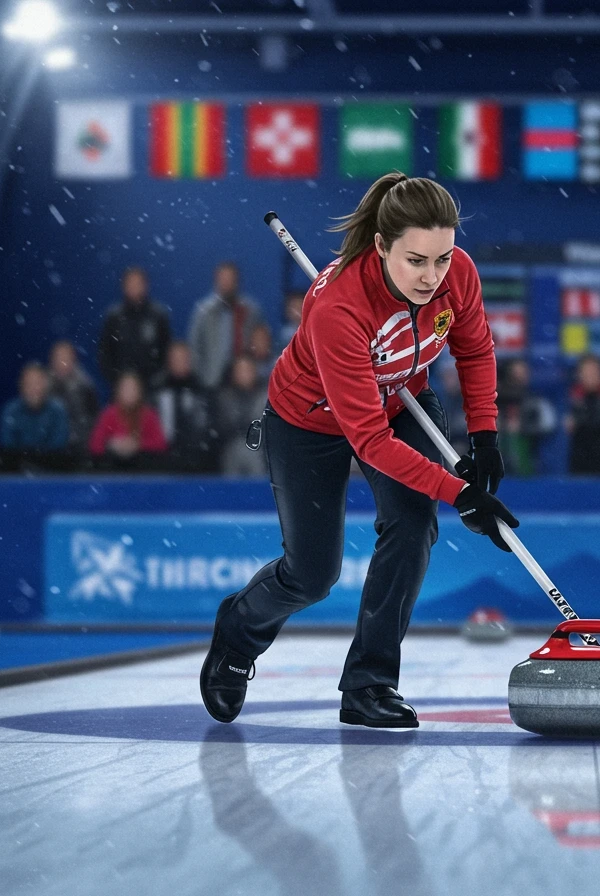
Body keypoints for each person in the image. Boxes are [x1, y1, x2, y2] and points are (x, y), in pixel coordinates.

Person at [200, 172, 516, 731]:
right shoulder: (339, 308)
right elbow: (369, 442)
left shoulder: (457, 272)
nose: (432, 276)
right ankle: (238, 633)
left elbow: (475, 349)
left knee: (413, 524)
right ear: (382, 247)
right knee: (312, 575)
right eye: (416, 261)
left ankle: (370, 683)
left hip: (401, 400)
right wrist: (460, 490)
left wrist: (486, 439)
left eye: (441, 258)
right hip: (308, 422)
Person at [188, 261, 268, 390]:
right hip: (212, 379)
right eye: (223, 279)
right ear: (216, 280)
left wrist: (254, 370)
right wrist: (202, 375)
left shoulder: (251, 310)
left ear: (237, 281)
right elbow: (195, 345)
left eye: (230, 279)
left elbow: (261, 341)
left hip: (245, 379)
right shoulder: (204, 312)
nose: (226, 283)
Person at [97, 266, 173, 387]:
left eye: (138, 283)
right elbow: (105, 353)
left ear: (146, 285)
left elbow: (167, 352)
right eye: (130, 283)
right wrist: (118, 381)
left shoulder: (158, 315)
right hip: (121, 389)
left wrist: (156, 380)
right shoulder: (114, 317)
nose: (134, 288)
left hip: (152, 388)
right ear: (123, 287)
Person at [152, 341, 215, 472]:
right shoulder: (157, 389)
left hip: (195, 453)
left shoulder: (200, 389)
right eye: (175, 359)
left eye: (183, 359)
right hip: (163, 452)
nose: (179, 363)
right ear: (168, 361)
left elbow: (206, 425)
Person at [88, 371, 168, 465]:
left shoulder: (148, 415)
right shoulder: (109, 414)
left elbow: (160, 444)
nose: (129, 392)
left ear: (139, 391)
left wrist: (138, 445)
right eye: (125, 388)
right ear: (118, 390)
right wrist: (111, 444)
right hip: (113, 470)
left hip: (143, 470)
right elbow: (94, 445)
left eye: (132, 388)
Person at [497, 358, 556, 476]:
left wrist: (522, 428)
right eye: (515, 374)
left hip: (528, 447)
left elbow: (548, 425)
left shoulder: (536, 400)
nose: (519, 378)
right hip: (500, 445)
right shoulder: (497, 399)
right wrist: (501, 426)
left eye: (522, 373)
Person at [215, 356, 270, 477]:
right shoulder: (224, 397)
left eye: (247, 370)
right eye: (240, 370)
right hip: (230, 450)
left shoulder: (265, 396)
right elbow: (221, 428)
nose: (244, 374)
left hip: (259, 451)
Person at [565, 354, 600, 475]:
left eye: (594, 372)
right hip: (580, 463)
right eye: (586, 373)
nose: (590, 376)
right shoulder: (573, 398)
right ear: (579, 375)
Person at [0, 362, 68, 451]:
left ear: (46, 385)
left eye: (37, 383)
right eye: (29, 383)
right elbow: (8, 447)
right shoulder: (10, 411)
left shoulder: (58, 411)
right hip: (17, 464)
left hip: (50, 464)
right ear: (21, 385)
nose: (33, 388)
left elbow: (58, 449)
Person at [47, 339, 100, 451]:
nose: (62, 362)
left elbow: (93, 420)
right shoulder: (43, 386)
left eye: (65, 357)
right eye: (58, 357)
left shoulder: (86, 386)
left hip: (79, 448)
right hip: (47, 448)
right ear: (52, 360)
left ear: (74, 359)